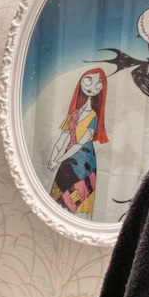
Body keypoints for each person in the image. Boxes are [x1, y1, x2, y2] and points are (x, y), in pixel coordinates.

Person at [48, 68, 109, 218]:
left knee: (76, 203)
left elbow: (79, 144)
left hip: (84, 165)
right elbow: (62, 139)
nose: (92, 85)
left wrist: (58, 159)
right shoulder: (73, 114)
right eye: (88, 80)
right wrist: (52, 159)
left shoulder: (93, 116)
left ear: (101, 88)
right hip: (67, 162)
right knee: (58, 202)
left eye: (98, 83)